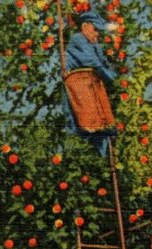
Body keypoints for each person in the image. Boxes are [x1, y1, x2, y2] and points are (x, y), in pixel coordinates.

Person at [63, 10, 117, 157]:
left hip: (91, 82)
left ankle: (102, 140)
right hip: (79, 81)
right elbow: (93, 62)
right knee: (88, 113)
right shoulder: (78, 39)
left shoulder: (94, 44)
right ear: (85, 26)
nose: (97, 34)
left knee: (100, 110)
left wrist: (111, 70)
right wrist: (112, 78)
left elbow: (102, 62)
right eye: (95, 29)